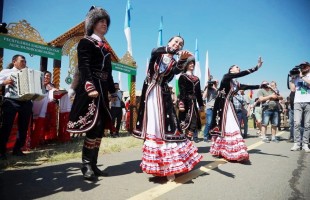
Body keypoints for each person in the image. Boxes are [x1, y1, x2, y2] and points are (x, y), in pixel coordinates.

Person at [133, 36, 202, 181]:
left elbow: (176, 71)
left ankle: (170, 166)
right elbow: (154, 51)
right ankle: (161, 167)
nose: (178, 44)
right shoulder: (158, 52)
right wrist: (174, 51)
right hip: (152, 93)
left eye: (180, 44)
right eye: (175, 42)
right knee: (155, 127)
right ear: (169, 42)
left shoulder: (173, 62)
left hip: (163, 94)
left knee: (168, 126)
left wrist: (182, 59)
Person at [67, 6, 117, 180]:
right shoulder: (86, 42)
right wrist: (89, 86)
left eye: (106, 21)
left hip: (103, 89)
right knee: (93, 126)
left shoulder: (105, 48)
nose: (104, 24)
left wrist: (112, 91)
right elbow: (84, 66)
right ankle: (86, 165)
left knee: (101, 127)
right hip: (92, 87)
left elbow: (109, 73)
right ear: (93, 23)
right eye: (101, 21)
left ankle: (94, 165)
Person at [209, 57, 263, 162]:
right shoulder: (226, 77)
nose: (238, 68)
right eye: (236, 67)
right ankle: (226, 150)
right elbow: (241, 74)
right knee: (225, 126)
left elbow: (247, 87)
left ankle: (232, 151)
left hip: (229, 105)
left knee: (232, 126)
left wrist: (262, 85)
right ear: (231, 70)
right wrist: (256, 68)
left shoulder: (235, 84)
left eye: (239, 67)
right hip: (221, 105)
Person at [0, 54, 32, 159]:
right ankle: (1, 151)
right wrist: (4, 82)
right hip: (11, 101)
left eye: (25, 61)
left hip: (26, 102)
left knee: (23, 127)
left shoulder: (28, 73)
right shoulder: (6, 72)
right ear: (14, 61)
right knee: (6, 126)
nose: (24, 63)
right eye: (22, 61)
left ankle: (17, 149)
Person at [178, 56, 204, 143]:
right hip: (186, 102)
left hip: (194, 102)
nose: (192, 64)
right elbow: (182, 91)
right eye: (190, 63)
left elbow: (198, 93)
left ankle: (187, 142)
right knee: (185, 123)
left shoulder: (196, 78)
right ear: (186, 65)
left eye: (193, 63)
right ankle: (184, 143)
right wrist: (181, 103)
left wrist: (201, 105)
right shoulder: (183, 76)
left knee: (194, 123)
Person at [290, 62, 310, 152]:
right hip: (297, 102)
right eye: (301, 67)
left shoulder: (307, 76)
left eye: (304, 66)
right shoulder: (297, 77)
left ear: (308, 67)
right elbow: (292, 89)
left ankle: (305, 144)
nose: (302, 68)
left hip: (308, 102)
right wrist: (292, 79)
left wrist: (302, 77)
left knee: (307, 124)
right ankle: (297, 143)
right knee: (297, 123)